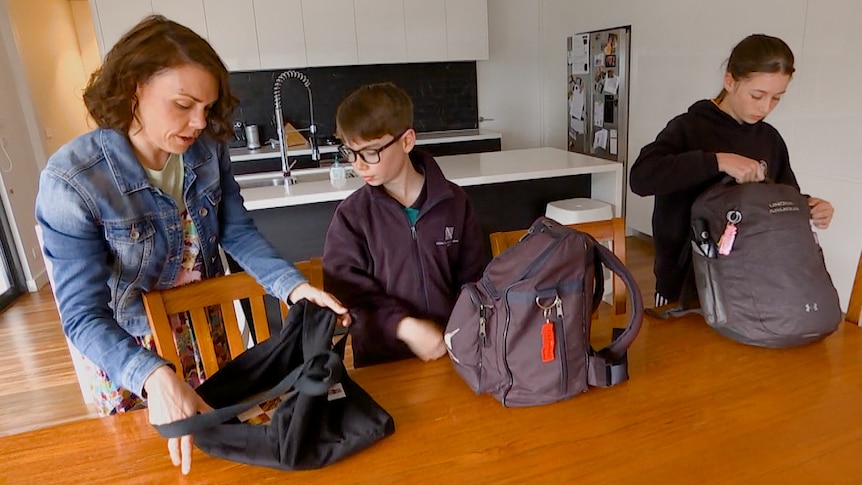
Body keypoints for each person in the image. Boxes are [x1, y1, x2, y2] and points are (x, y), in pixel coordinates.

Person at [34, 15, 349, 475]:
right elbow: (82, 316)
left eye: (207, 106)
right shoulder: (72, 182)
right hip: (125, 348)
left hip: (205, 329)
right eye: (183, 105)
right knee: (151, 464)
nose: (199, 122)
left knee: (222, 452)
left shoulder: (206, 150)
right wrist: (151, 374)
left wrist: (293, 287)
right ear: (133, 89)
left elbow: (237, 231)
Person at [629, 34, 834, 307]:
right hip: (683, 283)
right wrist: (718, 161)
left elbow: (780, 197)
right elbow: (641, 178)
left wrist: (808, 206)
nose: (765, 107)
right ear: (730, 81)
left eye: (776, 99)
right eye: (757, 95)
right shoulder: (689, 127)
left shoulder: (770, 139)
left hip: (747, 281)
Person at [323, 82, 485, 367]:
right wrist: (403, 326)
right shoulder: (352, 216)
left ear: (407, 141)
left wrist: (460, 332)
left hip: (453, 356)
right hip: (382, 363)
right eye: (351, 152)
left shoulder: (455, 203)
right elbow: (348, 296)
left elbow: (475, 280)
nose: (358, 165)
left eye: (370, 152)